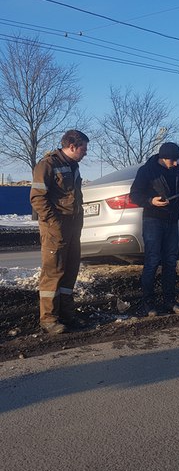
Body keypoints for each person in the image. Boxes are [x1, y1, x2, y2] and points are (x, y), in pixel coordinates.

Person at [30, 129, 89, 334]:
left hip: (73, 226)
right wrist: (54, 223)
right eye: (84, 148)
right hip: (55, 227)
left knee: (70, 271)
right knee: (53, 272)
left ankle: (66, 314)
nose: (86, 152)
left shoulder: (73, 166)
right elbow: (38, 198)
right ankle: (48, 319)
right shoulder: (47, 165)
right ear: (72, 146)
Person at [130, 142, 179, 316]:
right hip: (153, 220)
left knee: (170, 261)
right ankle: (148, 303)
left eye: (176, 160)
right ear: (162, 158)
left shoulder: (176, 170)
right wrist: (151, 201)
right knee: (152, 260)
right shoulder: (147, 171)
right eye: (172, 160)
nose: (175, 163)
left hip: (172, 220)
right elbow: (135, 195)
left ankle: (169, 301)